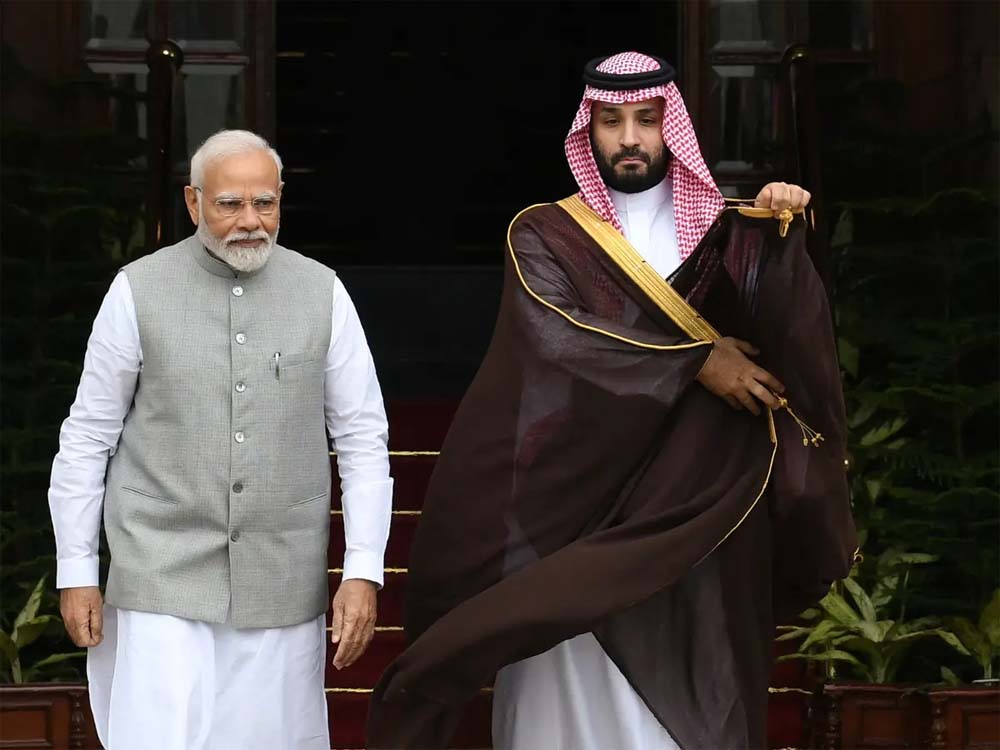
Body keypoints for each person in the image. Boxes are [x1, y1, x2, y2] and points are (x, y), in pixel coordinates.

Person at [366, 52, 857, 749]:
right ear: (587, 131)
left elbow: (779, 332)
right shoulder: (546, 233)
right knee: (569, 701)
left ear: (671, 127)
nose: (630, 137)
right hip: (580, 503)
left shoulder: (729, 230)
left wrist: (782, 235)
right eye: (612, 121)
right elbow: (558, 339)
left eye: (647, 120)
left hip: (703, 501)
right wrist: (697, 360)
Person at [48, 129, 393, 750]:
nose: (250, 221)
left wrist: (362, 570)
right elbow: (88, 436)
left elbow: (363, 439)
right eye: (230, 204)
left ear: (281, 199)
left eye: (265, 203)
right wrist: (76, 569)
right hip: (158, 573)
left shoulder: (323, 292)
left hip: (281, 578)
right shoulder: (137, 289)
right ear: (193, 202)